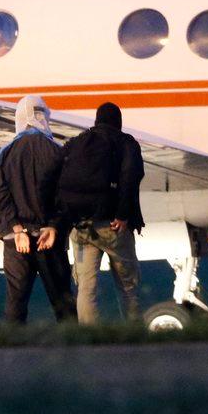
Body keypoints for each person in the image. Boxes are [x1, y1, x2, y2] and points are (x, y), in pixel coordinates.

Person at [0, 95, 77, 324]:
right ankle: (75, 352)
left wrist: (17, 229)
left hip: (16, 241)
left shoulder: (5, 154)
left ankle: (14, 354)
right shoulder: (58, 152)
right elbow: (68, 196)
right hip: (49, 239)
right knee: (63, 304)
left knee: (16, 304)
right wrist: (53, 226)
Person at [59, 102, 144, 324]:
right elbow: (131, 178)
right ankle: (134, 335)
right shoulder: (127, 143)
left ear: (96, 120)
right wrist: (123, 215)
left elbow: (58, 172)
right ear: (119, 122)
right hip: (114, 227)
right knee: (128, 288)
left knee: (86, 288)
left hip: (81, 227)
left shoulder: (77, 143)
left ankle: (90, 340)